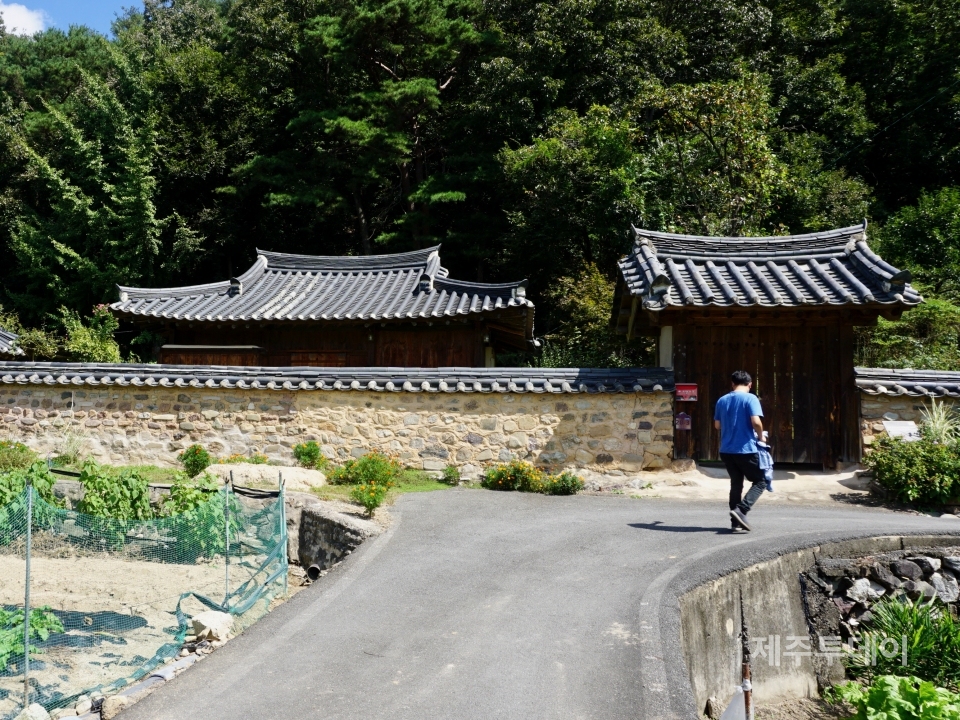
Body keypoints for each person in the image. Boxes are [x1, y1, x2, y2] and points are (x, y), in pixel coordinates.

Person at [714, 370, 766, 532]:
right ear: (750, 384)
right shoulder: (751, 398)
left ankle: (735, 523)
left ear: (732, 383)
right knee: (761, 481)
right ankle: (741, 510)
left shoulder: (721, 400)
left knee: (736, 483)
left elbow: (717, 426)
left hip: (727, 450)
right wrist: (761, 436)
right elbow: (756, 422)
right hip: (745, 449)